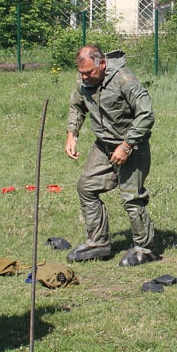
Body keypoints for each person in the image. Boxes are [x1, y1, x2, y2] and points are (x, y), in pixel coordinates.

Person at [65, 45, 157, 267]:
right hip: (103, 145)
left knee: (131, 198)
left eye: (89, 72)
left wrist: (126, 146)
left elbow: (146, 114)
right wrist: (71, 134)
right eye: (82, 73)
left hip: (132, 146)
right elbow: (77, 107)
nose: (85, 77)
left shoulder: (124, 79)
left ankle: (144, 249)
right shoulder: (84, 81)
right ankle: (98, 243)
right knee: (86, 186)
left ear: (102, 64)